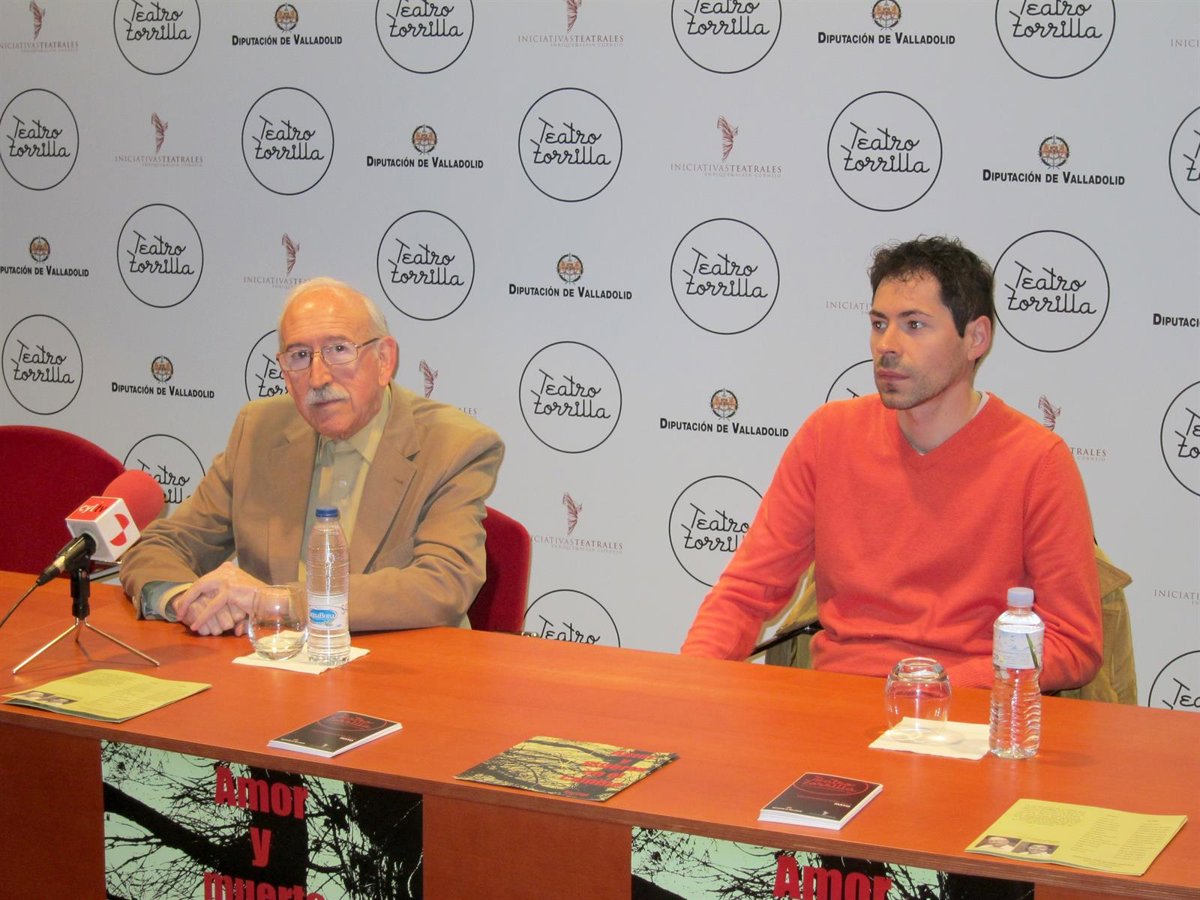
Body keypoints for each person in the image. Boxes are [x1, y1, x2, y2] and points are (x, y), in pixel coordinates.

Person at [681, 236, 1102, 692]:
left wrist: (935, 687)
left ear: (976, 339)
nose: (887, 345)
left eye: (914, 325)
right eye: (879, 324)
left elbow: (1072, 644)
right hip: (839, 703)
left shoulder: (1037, 461)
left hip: (969, 707)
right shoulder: (828, 435)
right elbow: (745, 592)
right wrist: (686, 681)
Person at [120, 277, 505, 636]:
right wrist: (184, 600)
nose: (318, 377)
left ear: (384, 360)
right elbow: (165, 545)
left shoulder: (454, 445)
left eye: (339, 350)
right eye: (300, 355)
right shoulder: (258, 431)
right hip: (272, 667)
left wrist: (278, 601)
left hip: (398, 668)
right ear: (284, 371)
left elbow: (442, 585)